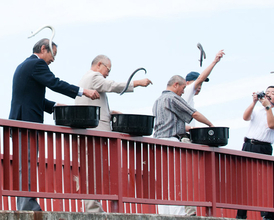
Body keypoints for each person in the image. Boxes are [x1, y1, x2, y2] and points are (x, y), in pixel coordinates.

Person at [9, 38, 100, 211]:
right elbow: (55, 83)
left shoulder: (24, 65)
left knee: (23, 167)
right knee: (26, 166)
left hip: (19, 123)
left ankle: (24, 206)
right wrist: (83, 91)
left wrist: (55, 107)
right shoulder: (37, 65)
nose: (53, 60)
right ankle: (28, 208)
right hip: (27, 124)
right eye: (53, 54)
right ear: (44, 49)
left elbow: (31, 98)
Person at [75, 54, 152, 212]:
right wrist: (136, 83)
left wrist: (109, 113)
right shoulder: (94, 76)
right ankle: (92, 209)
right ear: (99, 64)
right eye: (108, 69)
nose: (108, 73)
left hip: (90, 131)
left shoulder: (86, 79)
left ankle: (93, 206)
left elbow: (95, 104)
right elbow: (112, 86)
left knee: (92, 170)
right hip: (95, 132)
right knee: (93, 170)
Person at [153, 75, 213, 216]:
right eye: (183, 88)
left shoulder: (157, 101)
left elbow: (168, 123)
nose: (183, 91)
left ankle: (163, 214)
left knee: (163, 183)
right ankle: (178, 214)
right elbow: (194, 114)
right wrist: (210, 125)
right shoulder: (173, 98)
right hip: (171, 143)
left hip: (157, 143)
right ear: (175, 85)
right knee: (175, 181)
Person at [236, 86, 274, 220]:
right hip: (248, 145)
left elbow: (272, 125)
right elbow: (245, 117)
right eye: (267, 92)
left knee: (262, 182)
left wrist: (268, 107)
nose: (268, 95)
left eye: (272, 93)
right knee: (244, 182)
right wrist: (254, 102)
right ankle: (241, 215)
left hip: (263, 147)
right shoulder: (257, 110)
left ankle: (265, 214)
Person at [182, 49, 225, 129]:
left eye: (201, 84)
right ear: (186, 83)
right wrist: (214, 61)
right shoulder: (186, 90)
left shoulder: (187, 98)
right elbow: (201, 78)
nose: (199, 86)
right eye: (197, 83)